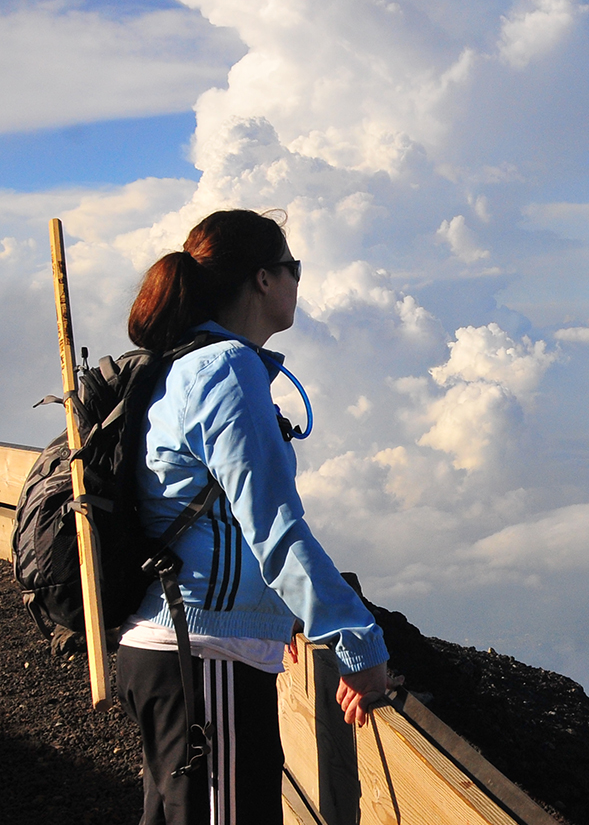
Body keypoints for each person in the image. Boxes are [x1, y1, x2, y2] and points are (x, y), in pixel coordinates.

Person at [116, 208, 393, 825]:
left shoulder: (182, 364)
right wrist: (355, 640)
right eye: (294, 268)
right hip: (205, 653)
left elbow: (226, 521)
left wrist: (281, 613)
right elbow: (271, 523)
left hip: (177, 649)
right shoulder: (226, 368)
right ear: (264, 280)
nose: (298, 282)